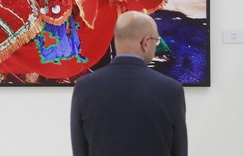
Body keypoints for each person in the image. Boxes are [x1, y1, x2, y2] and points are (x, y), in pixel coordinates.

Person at [70, 11, 188, 156]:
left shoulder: (84, 88)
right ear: (145, 42)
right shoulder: (171, 90)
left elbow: (79, 151)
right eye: (155, 41)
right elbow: (179, 151)